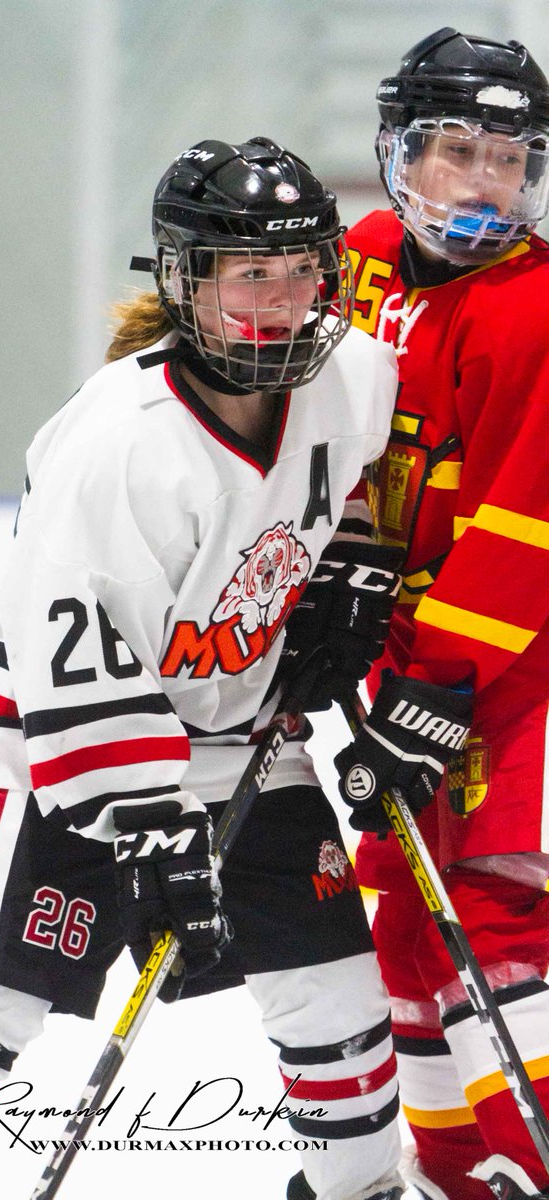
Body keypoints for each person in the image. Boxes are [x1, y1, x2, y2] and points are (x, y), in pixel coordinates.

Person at [0, 137, 404, 1200]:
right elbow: (64, 646)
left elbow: (351, 487)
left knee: (334, 997)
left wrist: (348, 577)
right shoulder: (118, 438)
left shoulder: (355, 376)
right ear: (185, 280)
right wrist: (153, 828)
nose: (281, 300)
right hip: (52, 750)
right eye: (249, 274)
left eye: (300, 270)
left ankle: (361, 1192)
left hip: (237, 736)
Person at [326, 27, 549, 1200]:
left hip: (514, 670)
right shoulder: (357, 259)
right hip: (412, 653)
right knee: (407, 922)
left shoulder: (532, 310)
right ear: (394, 151)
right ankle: (456, 1175)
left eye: (510, 158)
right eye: (456, 149)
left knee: (493, 914)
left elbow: (525, 530)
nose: (484, 182)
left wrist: (440, 678)